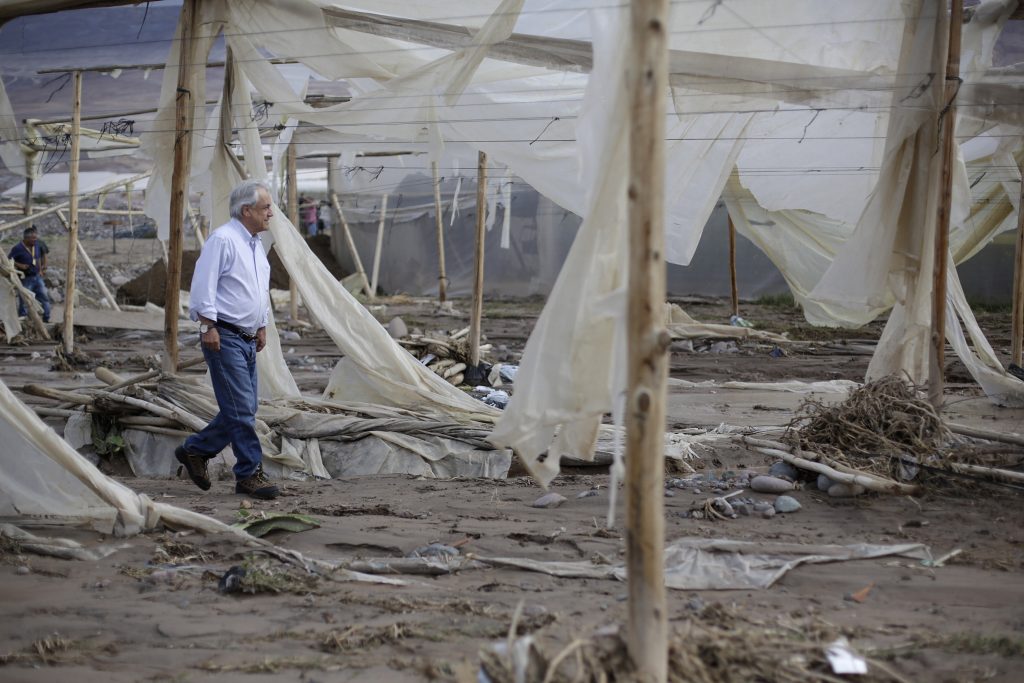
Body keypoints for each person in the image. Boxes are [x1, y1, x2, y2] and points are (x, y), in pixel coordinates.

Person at [175, 179, 279, 500]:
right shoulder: (223, 240)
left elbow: (257, 290)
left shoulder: (254, 244)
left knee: (243, 406)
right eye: (265, 208)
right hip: (224, 335)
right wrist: (207, 327)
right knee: (242, 410)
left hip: (246, 337)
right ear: (246, 210)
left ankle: (195, 450)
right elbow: (203, 286)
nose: (270, 213)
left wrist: (261, 325)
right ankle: (248, 473)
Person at [8, 225, 51, 323]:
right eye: (33, 238)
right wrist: (20, 265)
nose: (35, 240)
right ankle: (23, 321)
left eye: (36, 238)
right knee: (25, 301)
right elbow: (9, 260)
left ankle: (46, 319)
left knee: (44, 297)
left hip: (37, 277)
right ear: (26, 238)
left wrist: (40, 270)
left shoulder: (36, 246)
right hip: (25, 278)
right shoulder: (17, 248)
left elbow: (38, 258)